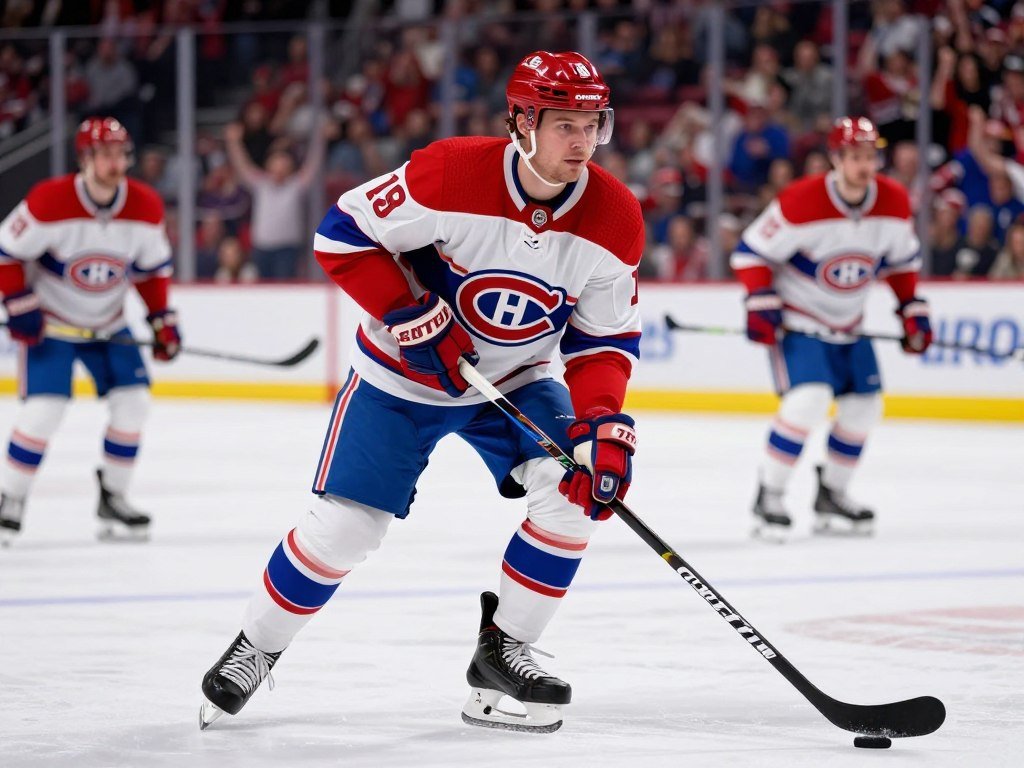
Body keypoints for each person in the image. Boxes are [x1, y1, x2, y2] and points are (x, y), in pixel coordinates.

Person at [199, 50, 643, 734]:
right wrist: (408, 314)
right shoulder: (450, 171)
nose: (583, 141)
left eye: (593, 124)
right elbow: (341, 234)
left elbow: (602, 342)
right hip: (402, 379)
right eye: (564, 125)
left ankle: (502, 658)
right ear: (521, 123)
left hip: (517, 381)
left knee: (575, 493)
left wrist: (601, 426)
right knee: (345, 530)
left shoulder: (615, 217)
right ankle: (255, 648)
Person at [730, 116, 931, 541]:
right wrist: (761, 301)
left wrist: (911, 307)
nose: (865, 165)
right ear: (836, 158)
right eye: (855, 156)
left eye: (871, 156)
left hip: (850, 324)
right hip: (800, 322)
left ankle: (833, 493)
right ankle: (771, 493)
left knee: (865, 408)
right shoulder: (800, 200)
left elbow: (901, 264)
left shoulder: (894, 201)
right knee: (808, 401)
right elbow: (750, 253)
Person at [0, 117, 181, 545]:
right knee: (44, 409)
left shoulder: (146, 205)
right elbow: (6, 252)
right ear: (85, 158)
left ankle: (113, 496)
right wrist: (20, 303)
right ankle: (11, 497)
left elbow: (151, 271)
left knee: (134, 404)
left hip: (109, 323)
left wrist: (161, 319)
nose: (116, 163)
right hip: (54, 323)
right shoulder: (49, 200)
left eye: (121, 154)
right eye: (106, 154)